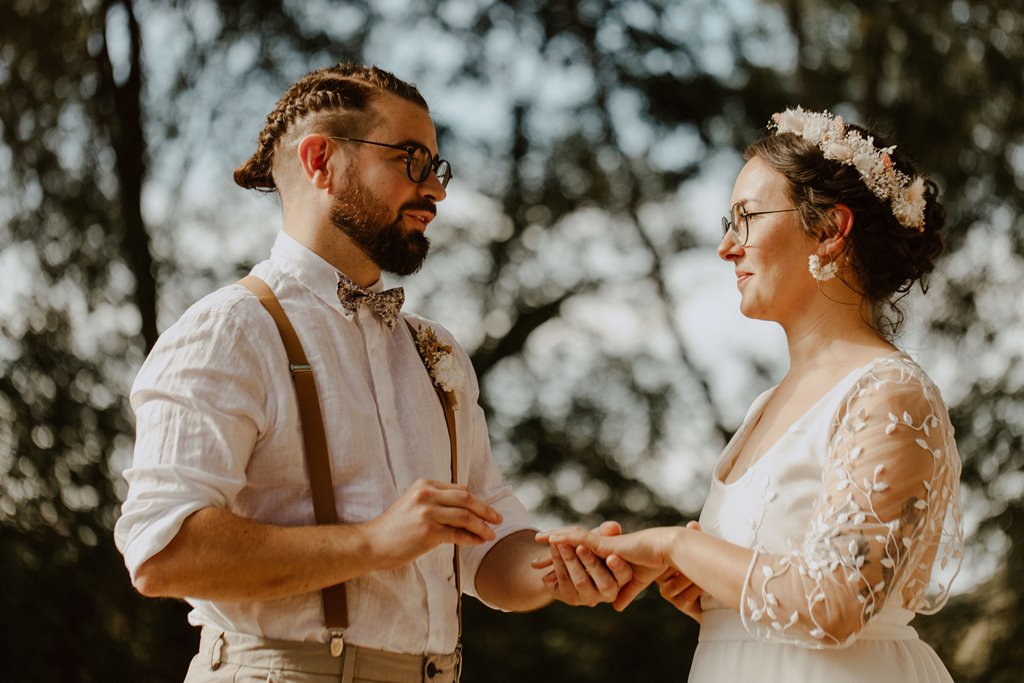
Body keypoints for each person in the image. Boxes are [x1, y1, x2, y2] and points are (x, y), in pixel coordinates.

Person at [114, 63, 631, 683]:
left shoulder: (436, 353)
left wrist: (564, 570)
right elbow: (162, 550)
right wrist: (373, 541)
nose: (435, 191)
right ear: (320, 161)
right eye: (411, 160)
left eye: (436, 168)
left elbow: (489, 547)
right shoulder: (231, 330)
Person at [539, 107, 964, 682]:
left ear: (830, 230)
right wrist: (710, 594)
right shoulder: (765, 406)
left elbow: (835, 605)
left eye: (745, 218)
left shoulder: (889, 392)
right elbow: (781, 590)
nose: (725, 248)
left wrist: (675, 548)